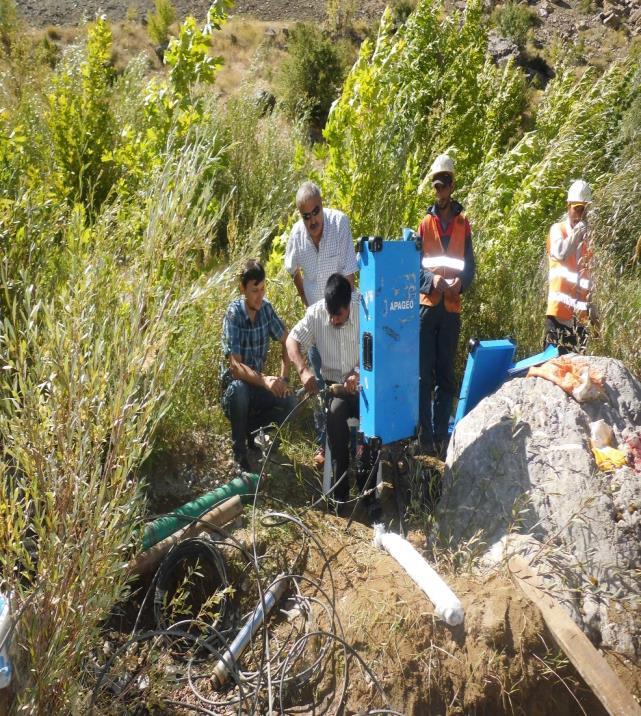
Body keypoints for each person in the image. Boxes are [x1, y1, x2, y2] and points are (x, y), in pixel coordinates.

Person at [285, 181, 359, 468]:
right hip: (318, 322)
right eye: (306, 216)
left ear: (322, 206)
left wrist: (343, 312)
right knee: (321, 386)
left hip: (345, 318)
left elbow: (350, 276)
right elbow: (293, 270)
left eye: (316, 212)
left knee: (350, 382)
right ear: (300, 216)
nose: (313, 219)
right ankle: (323, 444)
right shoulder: (297, 236)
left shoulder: (339, 223)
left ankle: (355, 445)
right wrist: (309, 303)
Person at [286, 274, 363, 506]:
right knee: (336, 418)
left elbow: (381, 346)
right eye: (330, 314)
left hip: (364, 387)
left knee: (371, 425)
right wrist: (303, 370)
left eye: (338, 315)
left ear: (349, 304)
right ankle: (341, 494)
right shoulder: (318, 314)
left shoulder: (364, 309)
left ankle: (369, 492)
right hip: (334, 389)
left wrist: (358, 372)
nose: (332, 320)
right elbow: (292, 340)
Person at [417, 154, 475, 458]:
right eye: (435, 185)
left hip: (451, 308)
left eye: (443, 185)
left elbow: (470, 268)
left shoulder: (464, 225)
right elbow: (415, 267)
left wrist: (459, 284)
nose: (439, 190)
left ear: (452, 186)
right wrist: (431, 281)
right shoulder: (424, 224)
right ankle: (424, 435)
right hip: (427, 306)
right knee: (423, 374)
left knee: (445, 376)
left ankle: (441, 436)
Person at [221, 259, 297, 471]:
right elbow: (235, 367)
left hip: (258, 385)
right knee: (239, 390)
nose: (260, 295)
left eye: (263, 289)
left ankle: (254, 433)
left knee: (291, 399)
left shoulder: (266, 309)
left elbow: (288, 341)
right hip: (237, 387)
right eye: (255, 290)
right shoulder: (233, 314)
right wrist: (264, 380)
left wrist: (283, 379)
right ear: (243, 288)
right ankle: (239, 453)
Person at [544, 180, 593, 355]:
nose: (581, 215)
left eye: (585, 210)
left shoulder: (587, 241)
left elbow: (589, 281)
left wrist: (593, 314)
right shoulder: (558, 230)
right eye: (577, 209)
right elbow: (561, 253)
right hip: (558, 316)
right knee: (554, 369)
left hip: (579, 322)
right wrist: (578, 232)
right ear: (568, 206)